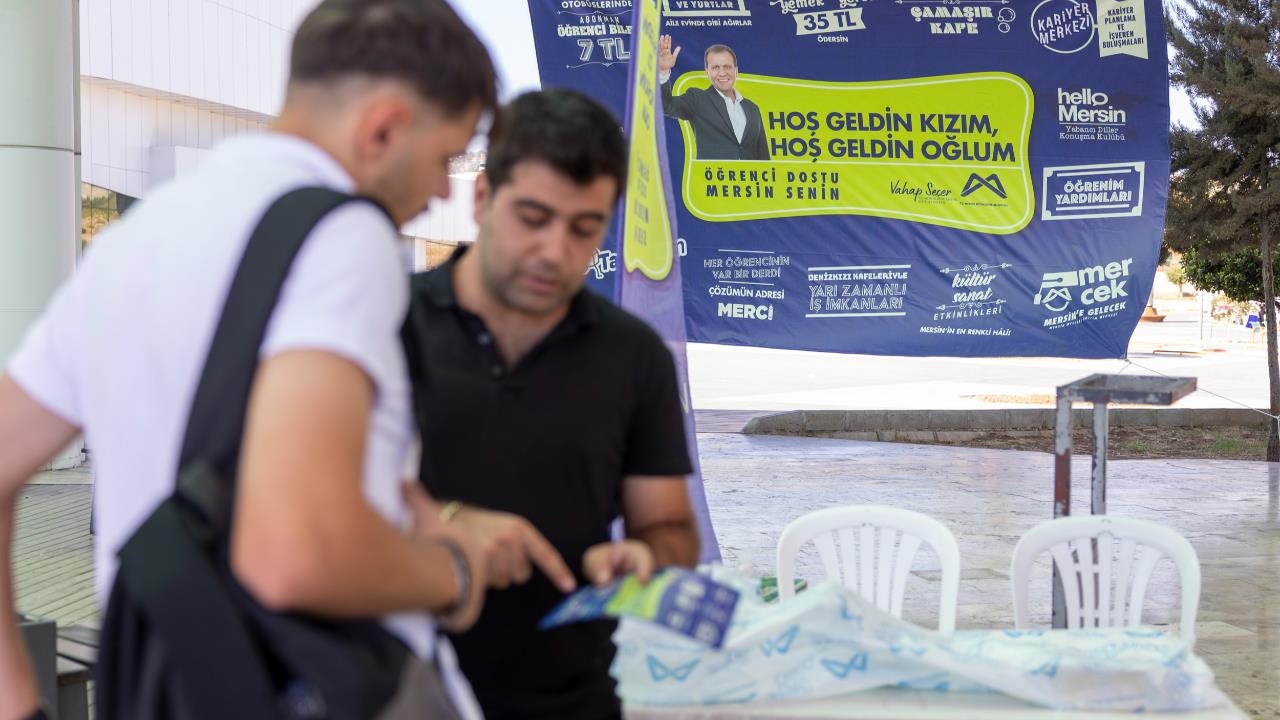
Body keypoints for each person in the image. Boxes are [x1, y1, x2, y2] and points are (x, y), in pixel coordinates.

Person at [0, 2, 575, 718]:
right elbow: (293, 555)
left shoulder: (134, 241)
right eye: (443, 160)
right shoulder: (341, 238)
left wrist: (16, 702)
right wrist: (456, 571)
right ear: (384, 126)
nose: (436, 196)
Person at [402, 89, 702, 720]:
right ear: (482, 199)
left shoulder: (633, 356)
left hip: (572, 700)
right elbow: (305, 505)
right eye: (532, 218)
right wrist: (445, 522)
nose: (554, 252)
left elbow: (672, 530)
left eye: (583, 228)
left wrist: (642, 556)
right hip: (398, 694)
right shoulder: (384, 324)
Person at [658, 35, 770, 161]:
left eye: (727, 67)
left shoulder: (752, 108)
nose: (722, 73)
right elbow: (666, 106)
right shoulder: (697, 99)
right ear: (707, 71)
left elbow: (764, 156)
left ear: (736, 71)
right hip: (713, 180)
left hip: (750, 180)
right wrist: (663, 72)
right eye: (716, 67)